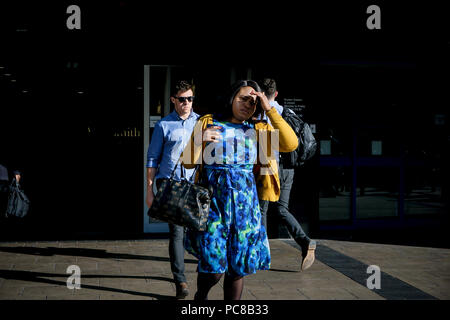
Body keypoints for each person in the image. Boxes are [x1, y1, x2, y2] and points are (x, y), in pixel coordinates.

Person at [181, 80, 298, 300]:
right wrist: (199, 139)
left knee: (237, 269)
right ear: (231, 98)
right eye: (243, 98)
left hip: (245, 210)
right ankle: (201, 297)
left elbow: (290, 144)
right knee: (214, 269)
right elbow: (187, 163)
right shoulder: (208, 122)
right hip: (214, 207)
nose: (248, 104)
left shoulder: (259, 128)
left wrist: (269, 109)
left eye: (253, 102)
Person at [146, 80, 200, 299]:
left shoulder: (202, 123)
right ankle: (181, 280)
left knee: (198, 229)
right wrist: (149, 189)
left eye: (190, 99)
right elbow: (152, 158)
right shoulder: (164, 125)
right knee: (177, 233)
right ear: (173, 100)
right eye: (182, 99)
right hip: (170, 184)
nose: (187, 103)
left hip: (195, 187)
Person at [258, 78, 316, 271]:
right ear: (276, 93)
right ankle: (305, 241)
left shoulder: (263, 113)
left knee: (262, 210)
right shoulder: (286, 112)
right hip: (288, 168)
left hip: (269, 166)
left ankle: (262, 254)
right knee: (281, 209)